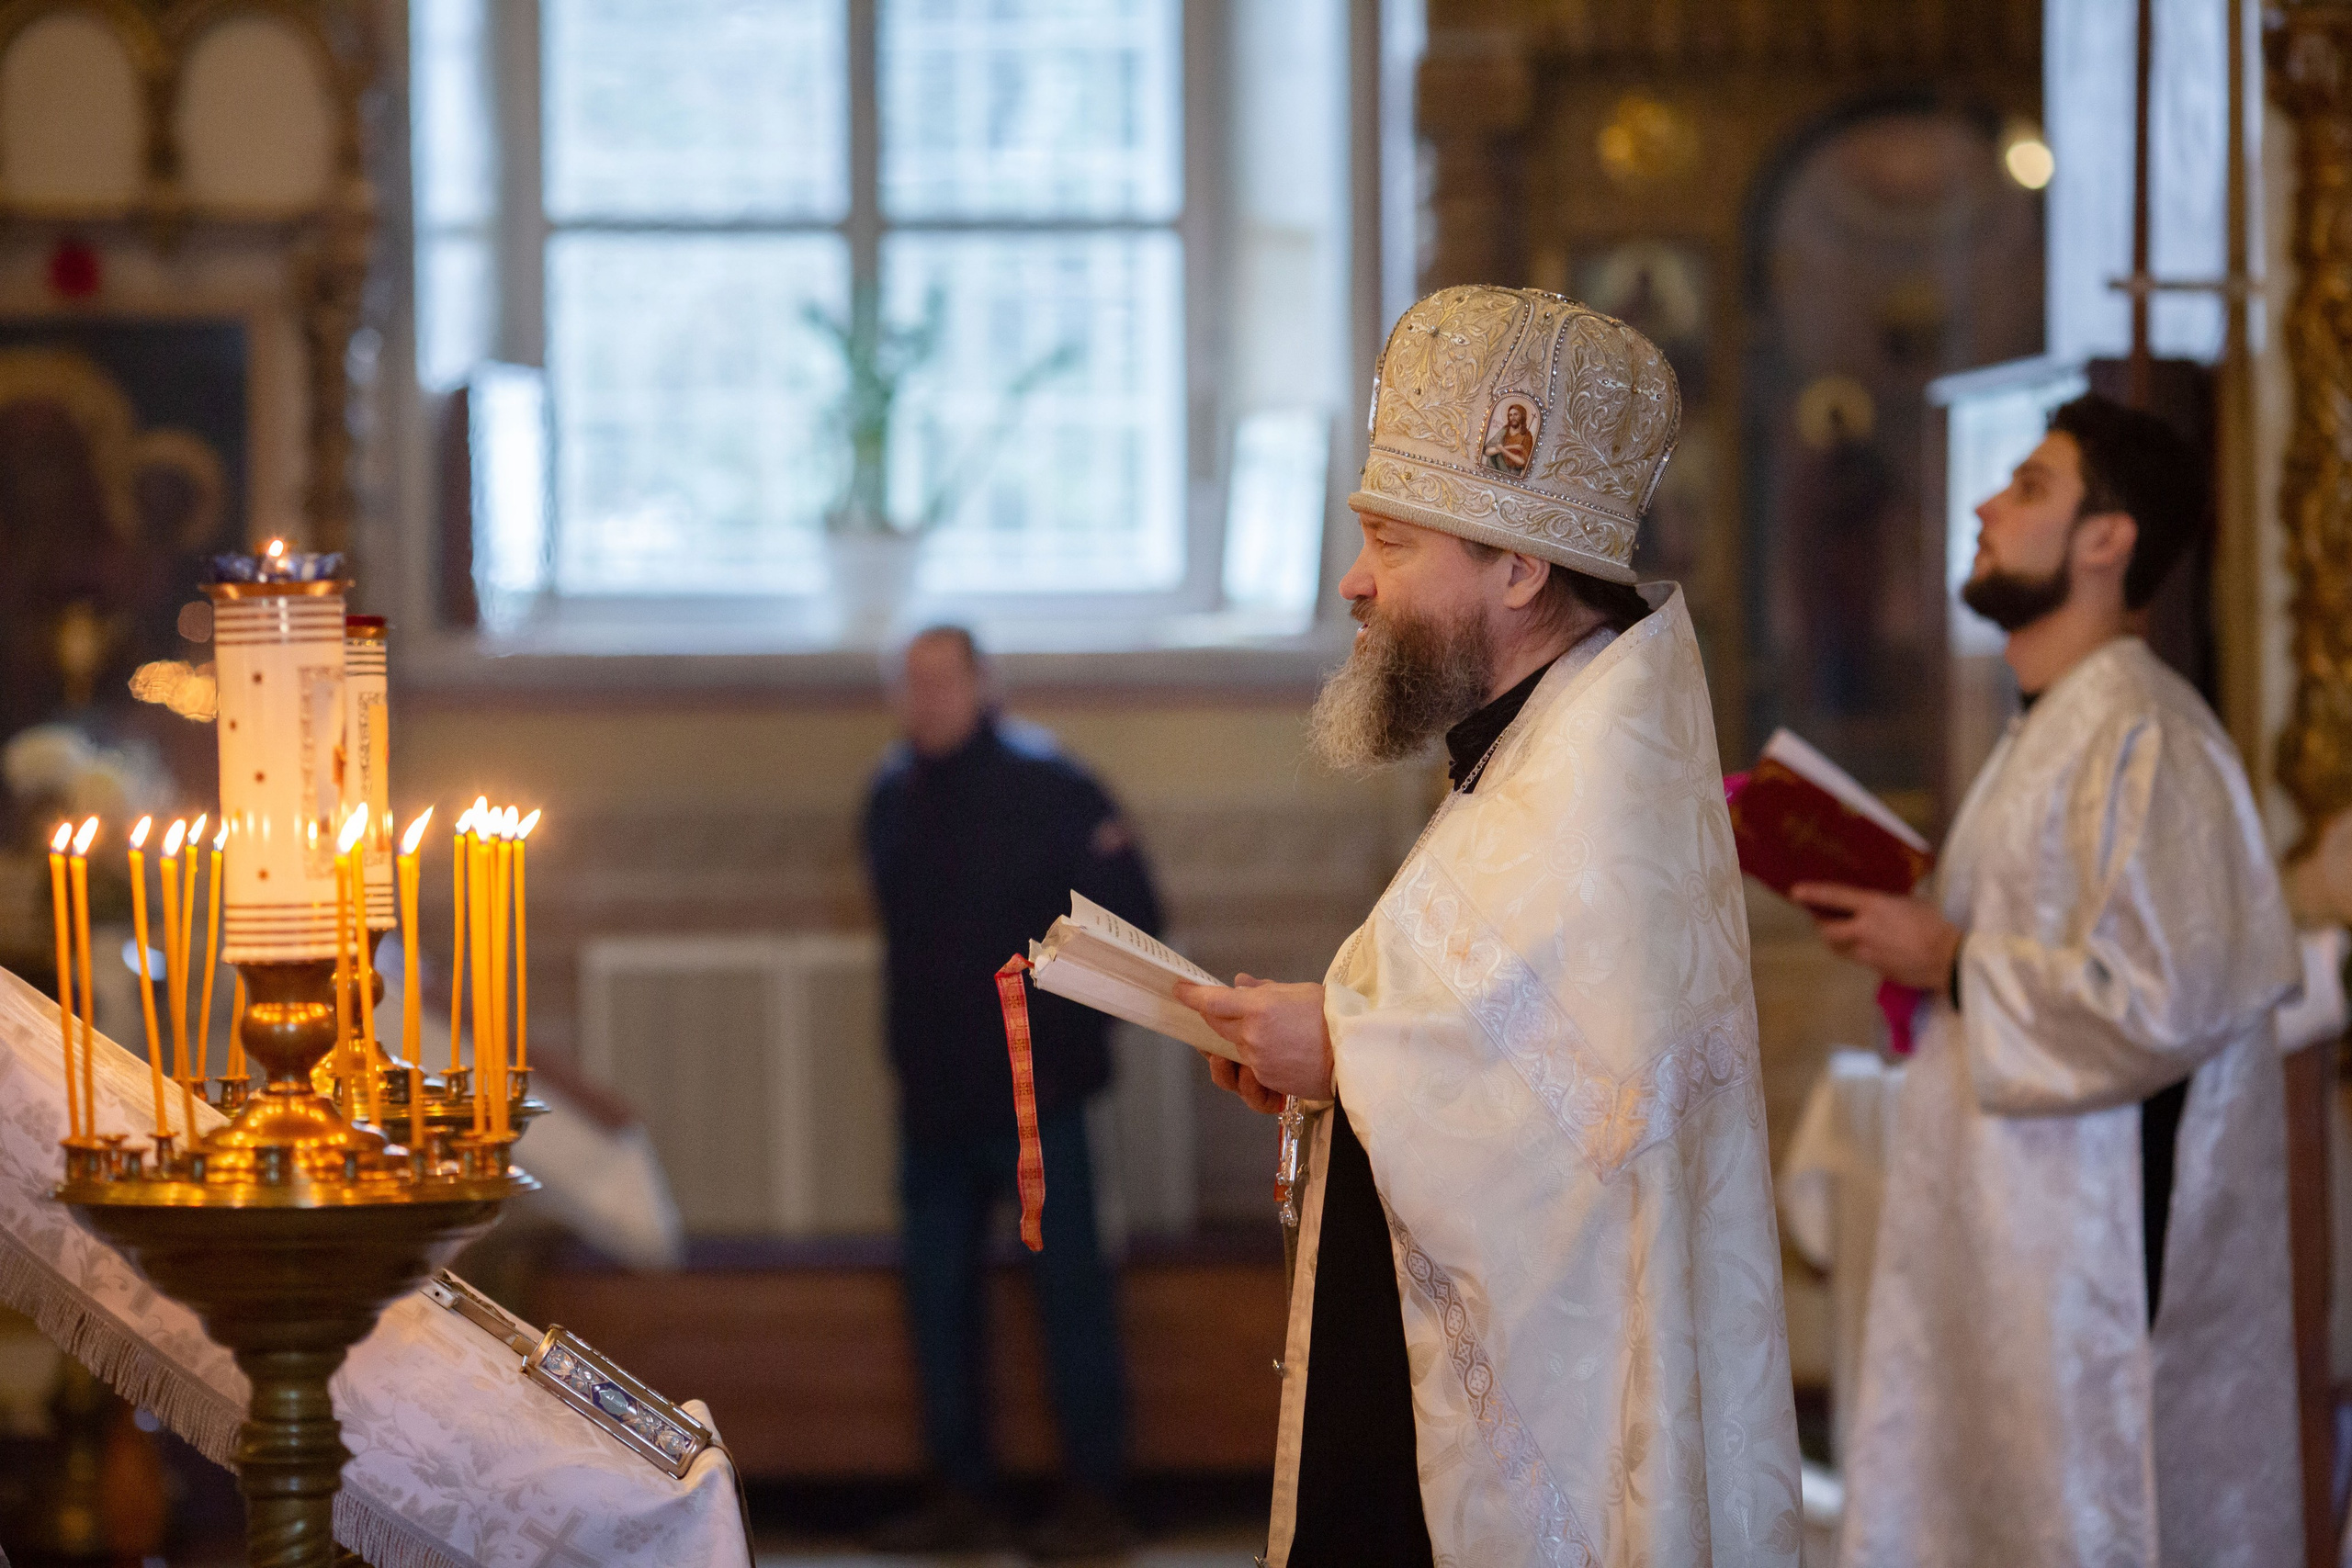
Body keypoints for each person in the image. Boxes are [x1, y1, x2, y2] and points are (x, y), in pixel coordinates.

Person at [1178, 285, 1801, 1568]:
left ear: (1518, 567)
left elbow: (1578, 1128)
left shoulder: (1595, 782)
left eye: (1393, 542)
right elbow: (1500, 1038)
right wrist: (1334, 1046)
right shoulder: (1546, 742)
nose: (1353, 582)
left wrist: (1342, 1045)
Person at [1797, 393, 2302, 1566]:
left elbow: (2163, 1002)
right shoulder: (2049, 731)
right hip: (2017, 1248)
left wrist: (1953, 958)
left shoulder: (2150, 736)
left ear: (2105, 539)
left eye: (2027, 486)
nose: (1981, 504)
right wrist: (1925, 942)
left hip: (2095, 1276)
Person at [861, 625, 1161, 1557]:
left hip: (1039, 1092)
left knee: (1070, 1294)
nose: (928, 700)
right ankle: (960, 1491)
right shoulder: (889, 795)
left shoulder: (1051, 787)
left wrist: (1070, 1052)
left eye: (944, 681)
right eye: (912, 683)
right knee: (938, 1298)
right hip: (935, 1098)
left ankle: (1091, 1500)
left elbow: (1129, 922)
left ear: (984, 685)